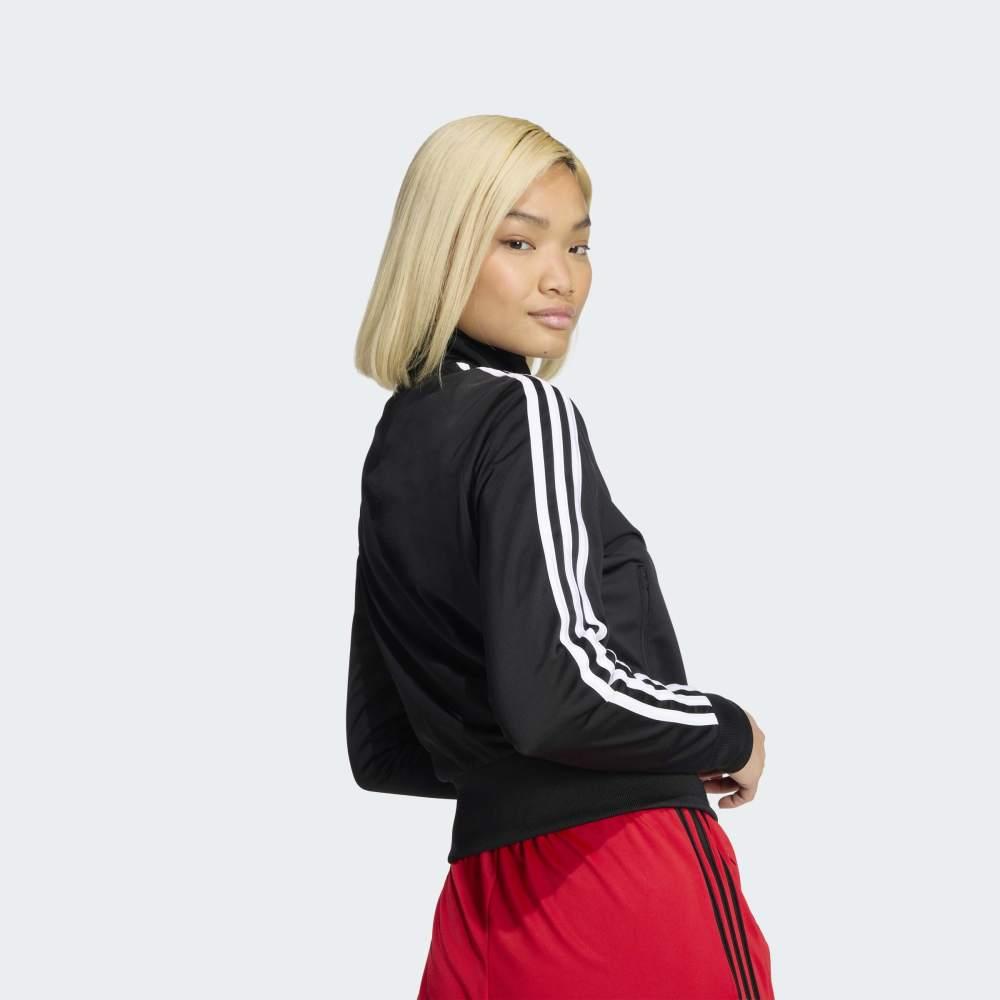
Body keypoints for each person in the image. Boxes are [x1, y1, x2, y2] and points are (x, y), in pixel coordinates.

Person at [348, 113, 773, 999]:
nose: (561, 277)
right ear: (441, 248)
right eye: (519, 241)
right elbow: (562, 692)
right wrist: (726, 729)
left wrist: (514, 778)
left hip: (481, 902)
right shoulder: (523, 413)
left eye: (579, 246)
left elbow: (382, 744)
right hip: (616, 875)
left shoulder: (399, 439)